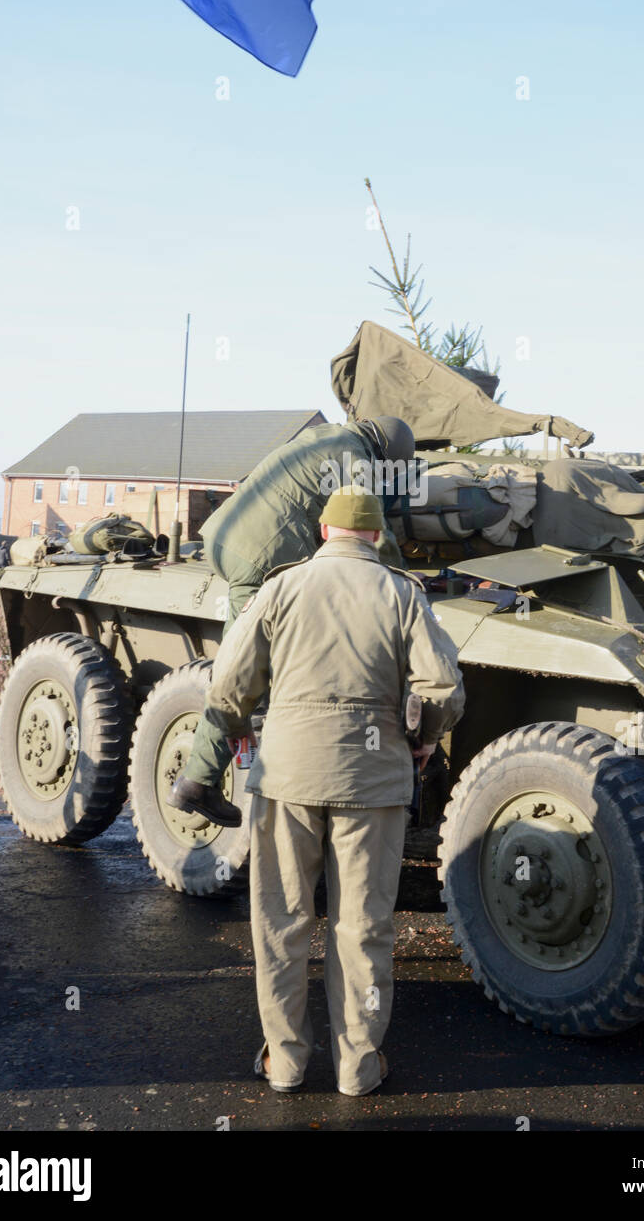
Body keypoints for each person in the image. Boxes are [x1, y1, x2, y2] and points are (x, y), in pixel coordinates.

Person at [195, 484, 465, 1096]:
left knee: (281, 922)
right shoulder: (402, 594)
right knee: (363, 928)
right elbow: (444, 690)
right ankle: (359, 1068)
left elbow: (229, 686)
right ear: (376, 536)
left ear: (323, 533)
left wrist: (237, 732)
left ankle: (286, 1064)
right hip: (373, 785)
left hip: (287, 779)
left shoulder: (280, 588)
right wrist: (423, 739)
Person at [169, 415, 417, 826]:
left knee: (239, 668)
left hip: (222, 538)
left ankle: (209, 776)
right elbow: (367, 527)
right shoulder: (358, 460)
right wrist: (401, 575)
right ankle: (204, 781)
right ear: (386, 454)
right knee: (243, 676)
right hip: (260, 557)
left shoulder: (325, 435)